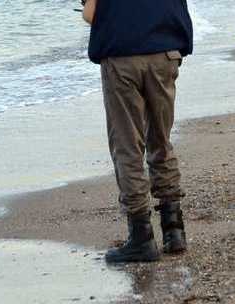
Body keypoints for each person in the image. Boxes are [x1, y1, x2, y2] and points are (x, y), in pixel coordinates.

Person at [82, 0, 193, 263]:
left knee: (127, 145)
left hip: (123, 57)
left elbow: (90, 14)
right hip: (165, 52)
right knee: (161, 140)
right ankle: (173, 228)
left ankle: (141, 236)